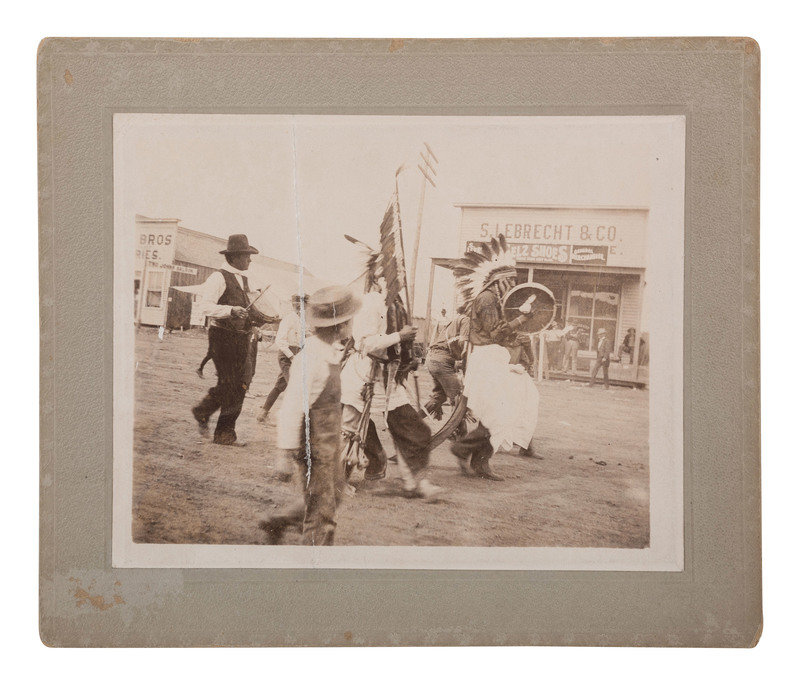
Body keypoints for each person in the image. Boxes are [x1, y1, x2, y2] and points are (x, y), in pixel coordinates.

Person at [258, 286, 359, 545]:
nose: (351, 325)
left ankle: (279, 521)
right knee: (322, 512)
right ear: (340, 325)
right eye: (349, 320)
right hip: (314, 447)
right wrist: (284, 454)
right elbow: (292, 406)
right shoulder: (311, 357)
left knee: (332, 495)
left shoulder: (330, 351)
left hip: (329, 443)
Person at [450, 235, 541, 480]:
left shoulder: (493, 299)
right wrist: (520, 319)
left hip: (491, 359)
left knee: (507, 409)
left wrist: (519, 320)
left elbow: (500, 333)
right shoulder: (487, 299)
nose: (512, 285)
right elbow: (496, 333)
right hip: (485, 360)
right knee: (499, 413)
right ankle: (468, 452)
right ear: (499, 280)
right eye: (510, 281)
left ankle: (475, 457)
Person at [340, 287, 444, 499]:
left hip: (389, 379)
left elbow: (396, 345)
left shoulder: (395, 302)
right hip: (363, 376)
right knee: (350, 431)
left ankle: (415, 482)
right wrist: (399, 336)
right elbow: (365, 342)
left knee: (413, 429)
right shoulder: (371, 301)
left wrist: (407, 357)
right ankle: (336, 482)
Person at [191, 234, 270, 445]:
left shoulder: (244, 280)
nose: (250, 260)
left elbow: (247, 309)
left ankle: (219, 428)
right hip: (222, 337)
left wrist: (258, 320)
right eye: (246, 256)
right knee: (230, 384)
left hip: (240, 338)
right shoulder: (218, 278)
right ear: (234, 257)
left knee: (240, 384)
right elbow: (205, 307)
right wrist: (231, 310)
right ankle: (212, 421)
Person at [257, 294, 308, 423]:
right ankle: (291, 419)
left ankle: (263, 413)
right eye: (305, 306)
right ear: (298, 306)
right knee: (294, 385)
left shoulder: (303, 321)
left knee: (280, 386)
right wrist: (291, 356)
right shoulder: (289, 319)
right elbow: (280, 340)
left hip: (297, 354)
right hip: (287, 355)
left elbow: (304, 337)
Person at [424, 304, 469, 420]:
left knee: (440, 396)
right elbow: (463, 344)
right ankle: (456, 429)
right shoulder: (465, 320)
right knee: (459, 398)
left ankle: (414, 421)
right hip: (441, 362)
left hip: (433, 359)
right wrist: (465, 367)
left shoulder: (452, 322)